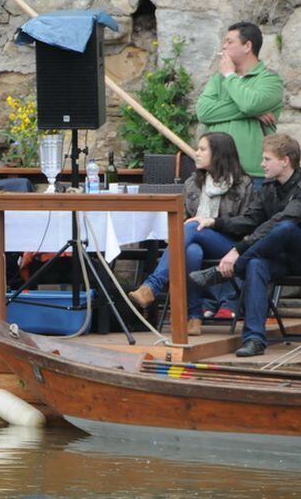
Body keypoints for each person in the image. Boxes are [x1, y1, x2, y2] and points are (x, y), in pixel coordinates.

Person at [127, 132, 256, 335]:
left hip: (230, 245)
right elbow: (183, 216)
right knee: (192, 252)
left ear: (219, 154)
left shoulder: (243, 185)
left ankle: (152, 285)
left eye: (203, 149)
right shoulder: (193, 183)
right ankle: (194, 317)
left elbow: (247, 224)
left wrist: (213, 223)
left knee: (190, 228)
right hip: (194, 241)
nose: (197, 153)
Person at [189, 134, 301, 356]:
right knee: (256, 265)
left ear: (285, 160)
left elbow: (281, 221)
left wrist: (237, 250)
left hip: (298, 255)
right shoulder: (269, 188)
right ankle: (254, 339)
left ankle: (231, 269)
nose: (262, 164)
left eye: (267, 159)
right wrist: (215, 222)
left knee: (285, 227)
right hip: (274, 257)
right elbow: (250, 219)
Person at [196, 22, 284, 179]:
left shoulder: (270, 80)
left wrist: (230, 76)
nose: (224, 46)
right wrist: (251, 113)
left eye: (229, 42)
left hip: (252, 175)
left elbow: (250, 105)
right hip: (216, 173)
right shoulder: (217, 79)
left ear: (247, 46)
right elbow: (203, 113)